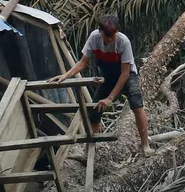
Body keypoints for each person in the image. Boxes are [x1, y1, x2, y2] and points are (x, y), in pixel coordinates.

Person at [50, 14, 152, 156]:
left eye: (112, 36)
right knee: (94, 110)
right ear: (100, 32)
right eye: (107, 35)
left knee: (137, 104)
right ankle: (89, 152)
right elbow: (83, 62)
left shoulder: (123, 42)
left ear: (116, 32)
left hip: (127, 75)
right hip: (108, 76)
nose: (109, 39)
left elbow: (124, 74)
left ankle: (145, 145)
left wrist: (110, 98)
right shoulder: (94, 38)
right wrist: (66, 75)